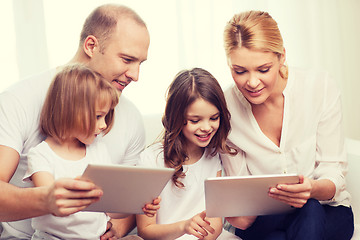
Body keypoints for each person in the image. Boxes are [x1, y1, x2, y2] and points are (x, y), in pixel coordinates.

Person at [0, 4, 150, 239]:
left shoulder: (131, 118)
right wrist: (47, 199)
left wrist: (119, 228)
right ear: (91, 46)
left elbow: (124, 199)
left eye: (140, 63)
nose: (135, 75)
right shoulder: (18, 100)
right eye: (127, 59)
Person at [220, 10, 354, 240]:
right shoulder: (226, 108)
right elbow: (240, 201)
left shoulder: (319, 87)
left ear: (282, 56)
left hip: (327, 209)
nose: (252, 82)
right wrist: (235, 208)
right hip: (265, 218)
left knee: (309, 209)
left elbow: (334, 171)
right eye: (239, 71)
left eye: (263, 69)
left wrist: (311, 189)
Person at [23, 63, 126, 239]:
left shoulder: (99, 150)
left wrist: (137, 205)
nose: (104, 125)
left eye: (105, 116)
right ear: (70, 111)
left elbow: (112, 209)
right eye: (98, 116)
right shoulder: (41, 155)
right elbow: (53, 204)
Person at [136, 68, 240, 240]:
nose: (206, 127)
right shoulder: (150, 160)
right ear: (177, 117)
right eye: (195, 120)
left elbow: (215, 224)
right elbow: (146, 230)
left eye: (214, 118)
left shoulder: (214, 155)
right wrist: (184, 226)